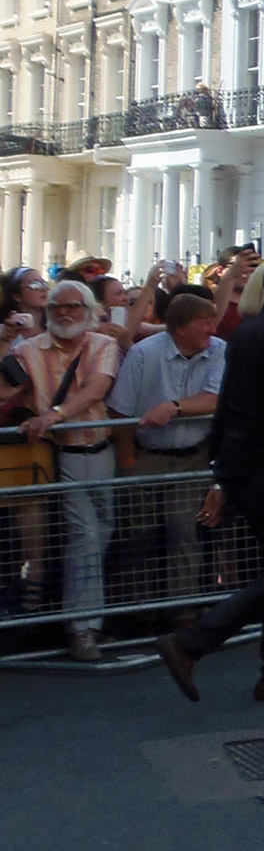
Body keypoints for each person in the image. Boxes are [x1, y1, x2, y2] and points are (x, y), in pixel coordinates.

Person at [154, 258, 264, 702]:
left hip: (243, 465)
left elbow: (230, 403)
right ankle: (193, 642)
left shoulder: (249, 331)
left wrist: (221, 473)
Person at [16, 279, 122, 662]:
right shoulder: (26, 350)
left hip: (101, 451)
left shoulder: (103, 345)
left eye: (74, 306)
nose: (64, 312)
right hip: (59, 456)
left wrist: (54, 414)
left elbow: (96, 389)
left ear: (89, 311)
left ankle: (84, 621)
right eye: (57, 306)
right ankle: (83, 630)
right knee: (86, 536)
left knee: (102, 532)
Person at [106, 291, 226, 604]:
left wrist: (173, 407)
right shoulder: (144, 353)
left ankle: (181, 610)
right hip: (146, 454)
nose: (212, 330)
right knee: (140, 534)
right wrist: (128, 456)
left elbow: (215, 399)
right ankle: (141, 609)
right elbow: (119, 409)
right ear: (181, 328)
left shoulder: (219, 352)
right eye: (204, 323)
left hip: (192, 456)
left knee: (183, 530)